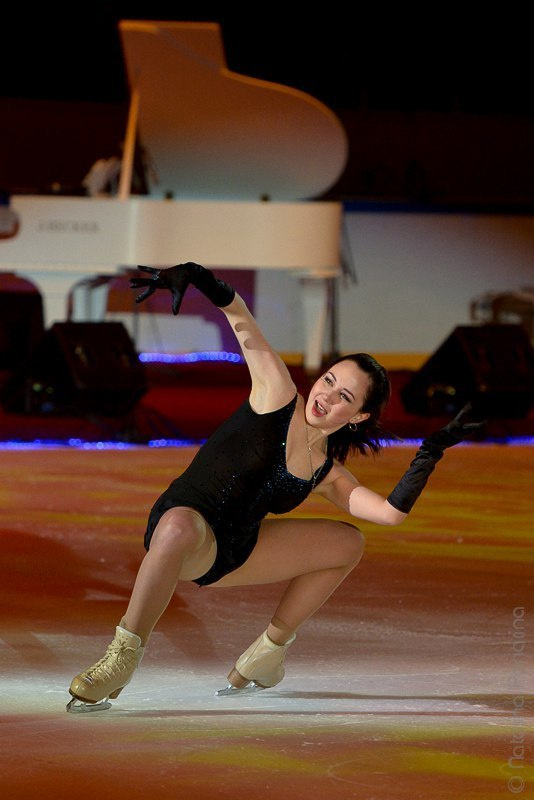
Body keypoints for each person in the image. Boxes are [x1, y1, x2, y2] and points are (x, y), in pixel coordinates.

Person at [66, 263, 483, 712]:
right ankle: (122, 657)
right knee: (178, 527)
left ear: (358, 416)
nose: (326, 396)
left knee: (347, 543)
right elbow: (240, 316)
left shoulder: (327, 470)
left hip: (235, 552)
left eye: (345, 397)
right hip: (184, 530)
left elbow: (389, 514)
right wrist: (195, 275)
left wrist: (431, 451)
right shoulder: (276, 394)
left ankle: (268, 652)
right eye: (329, 381)